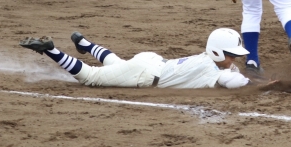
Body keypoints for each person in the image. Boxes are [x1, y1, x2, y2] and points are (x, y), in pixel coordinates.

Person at [19, 29, 251, 90]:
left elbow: (230, 75)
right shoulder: (215, 72)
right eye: (231, 55)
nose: (234, 59)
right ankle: (51, 50)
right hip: (146, 73)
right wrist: (261, 86)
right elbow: (234, 82)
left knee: (118, 64)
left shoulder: (207, 60)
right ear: (218, 52)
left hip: (150, 62)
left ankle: (85, 44)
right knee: (91, 77)